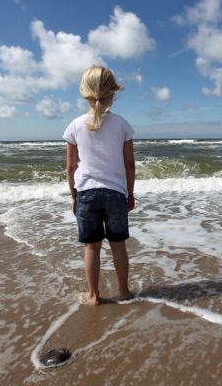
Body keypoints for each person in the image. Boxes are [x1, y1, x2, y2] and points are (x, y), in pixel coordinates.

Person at [63, 65, 135, 305]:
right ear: (112, 93)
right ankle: (124, 291)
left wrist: (73, 195)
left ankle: (93, 295)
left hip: (86, 193)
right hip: (115, 194)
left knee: (92, 248)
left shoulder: (74, 125)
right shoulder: (122, 124)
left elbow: (71, 167)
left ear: (86, 93)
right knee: (118, 246)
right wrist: (130, 193)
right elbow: (129, 164)